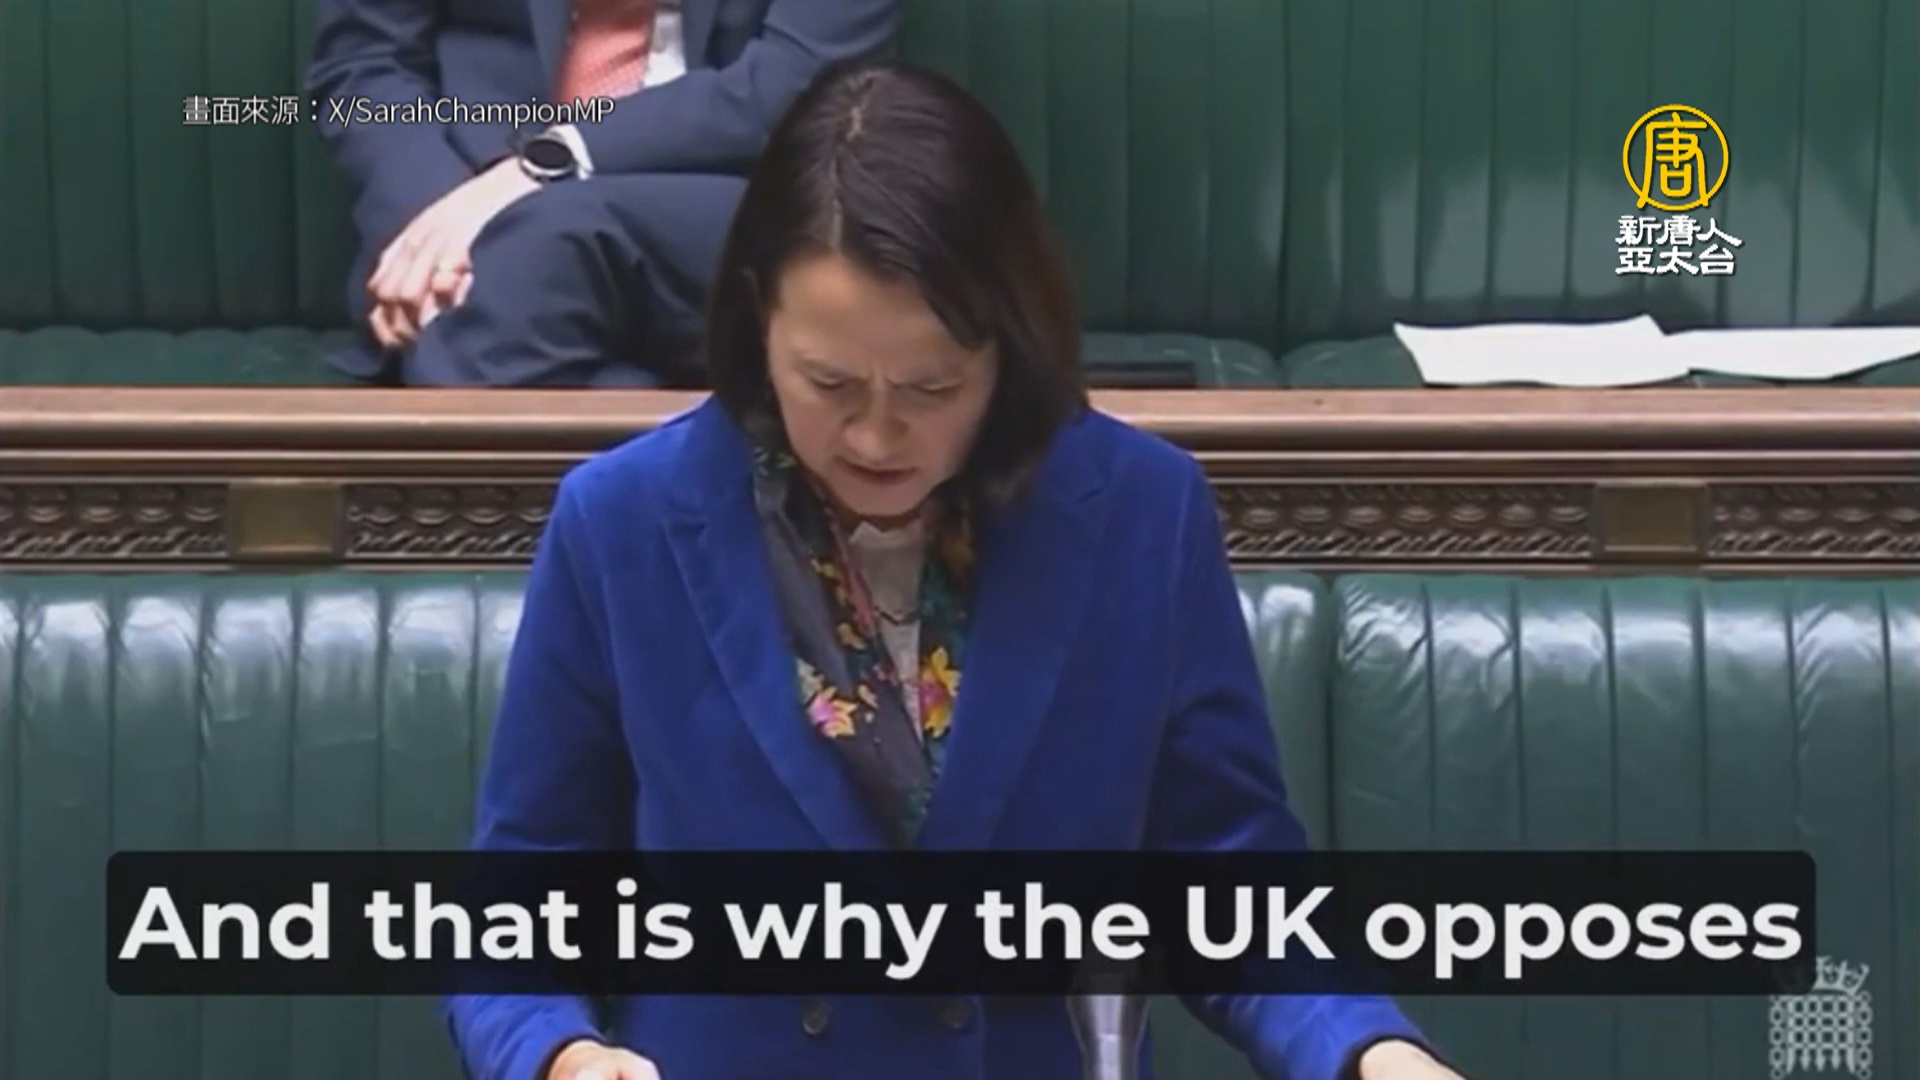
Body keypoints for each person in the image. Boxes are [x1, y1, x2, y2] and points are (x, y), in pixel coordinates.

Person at [446, 59, 1466, 1080]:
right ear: (759, 326)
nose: (876, 435)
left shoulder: (1139, 512)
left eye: (931, 387)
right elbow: (513, 918)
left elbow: (1234, 885)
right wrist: (560, 1057)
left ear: (1008, 347)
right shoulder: (623, 523)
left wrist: (1371, 1054)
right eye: (829, 382)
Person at [306, 0, 899, 387]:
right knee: (524, 285)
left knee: (542, 252)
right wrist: (436, 233)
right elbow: (367, 65)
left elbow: (794, 82)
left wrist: (547, 166)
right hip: (466, 236)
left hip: (720, 219)